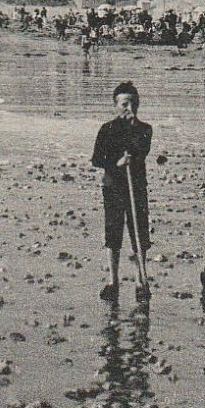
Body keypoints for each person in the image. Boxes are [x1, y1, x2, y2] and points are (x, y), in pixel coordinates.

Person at [90, 82, 153, 302]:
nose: (130, 108)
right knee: (113, 232)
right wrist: (116, 162)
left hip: (136, 186)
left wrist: (130, 134)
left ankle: (140, 280)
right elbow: (97, 159)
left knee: (140, 232)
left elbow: (142, 150)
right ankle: (112, 280)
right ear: (115, 106)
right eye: (125, 104)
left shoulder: (145, 129)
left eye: (133, 103)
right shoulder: (107, 129)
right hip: (113, 186)